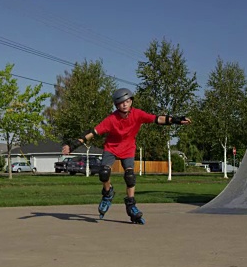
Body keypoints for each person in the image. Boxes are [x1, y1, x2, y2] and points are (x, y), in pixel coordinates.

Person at [62, 88, 191, 224]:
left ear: (131, 102)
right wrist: (73, 145)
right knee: (104, 173)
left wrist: (175, 120)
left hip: (128, 149)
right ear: (117, 105)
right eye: (122, 102)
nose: (125, 104)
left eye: (128, 101)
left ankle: (131, 205)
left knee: (130, 176)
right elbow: (93, 132)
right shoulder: (111, 119)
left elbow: (157, 119)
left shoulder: (137, 114)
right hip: (111, 148)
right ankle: (108, 193)